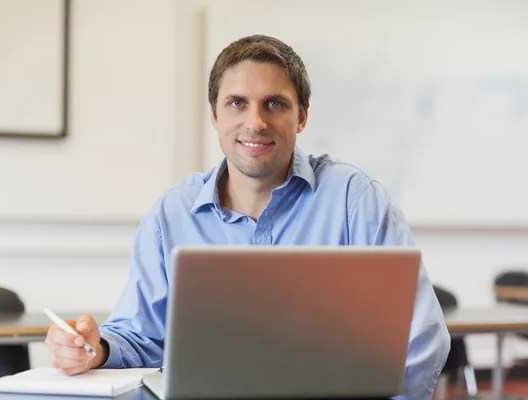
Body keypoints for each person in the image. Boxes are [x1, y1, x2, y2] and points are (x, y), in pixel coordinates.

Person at [45, 34, 450, 400]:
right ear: (215, 116)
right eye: (237, 103)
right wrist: (95, 349)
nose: (255, 122)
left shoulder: (354, 200)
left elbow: (420, 337)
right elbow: (141, 335)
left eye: (275, 104)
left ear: (302, 117)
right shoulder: (171, 215)